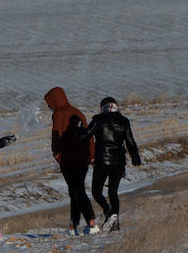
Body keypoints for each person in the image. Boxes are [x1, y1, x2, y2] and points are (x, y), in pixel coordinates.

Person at [82, 97, 141, 232]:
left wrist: (76, 131)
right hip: (118, 163)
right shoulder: (124, 121)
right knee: (113, 192)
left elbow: (85, 136)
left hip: (102, 162)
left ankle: (108, 211)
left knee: (96, 192)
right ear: (116, 106)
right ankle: (115, 224)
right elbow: (130, 142)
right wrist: (135, 157)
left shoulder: (98, 120)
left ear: (102, 107)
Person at [44, 87, 98, 236]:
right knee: (75, 190)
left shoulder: (58, 114)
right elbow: (90, 135)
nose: (49, 106)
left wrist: (56, 154)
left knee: (77, 190)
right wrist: (92, 155)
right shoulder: (78, 112)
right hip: (83, 158)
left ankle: (91, 221)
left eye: (49, 103)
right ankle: (73, 225)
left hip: (68, 159)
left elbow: (56, 137)